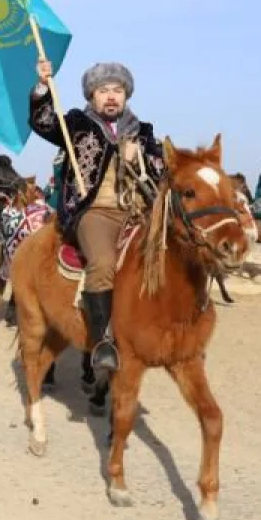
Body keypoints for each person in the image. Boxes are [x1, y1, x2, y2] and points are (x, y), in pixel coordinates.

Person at [29, 59, 163, 373]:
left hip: (136, 213)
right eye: (103, 90)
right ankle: (103, 341)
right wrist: (43, 87)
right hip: (95, 212)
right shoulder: (76, 123)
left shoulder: (141, 131)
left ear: (127, 96)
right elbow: (43, 123)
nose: (112, 96)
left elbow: (161, 168)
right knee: (103, 263)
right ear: (92, 96)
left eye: (118, 90)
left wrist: (141, 155)